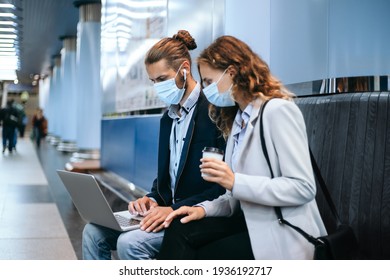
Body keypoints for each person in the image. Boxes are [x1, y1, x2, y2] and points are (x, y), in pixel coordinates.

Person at [159, 35, 327, 260]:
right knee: (179, 229)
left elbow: (303, 188)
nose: (206, 90)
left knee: (198, 252)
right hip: (250, 224)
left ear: (231, 73)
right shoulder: (237, 121)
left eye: (209, 82)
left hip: (282, 231)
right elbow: (233, 198)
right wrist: (202, 209)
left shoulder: (277, 111)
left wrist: (235, 181)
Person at [82, 30, 226, 260]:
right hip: (166, 210)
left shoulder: (214, 112)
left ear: (184, 70)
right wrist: (152, 199)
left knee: (130, 243)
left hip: (196, 213)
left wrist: (172, 209)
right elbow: (166, 180)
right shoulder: (168, 118)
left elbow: (221, 188)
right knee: (93, 232)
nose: (157, 87)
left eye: (162, 79)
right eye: (153, 81)